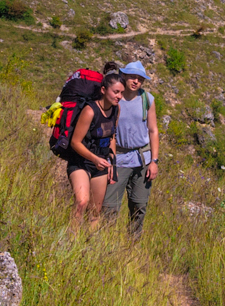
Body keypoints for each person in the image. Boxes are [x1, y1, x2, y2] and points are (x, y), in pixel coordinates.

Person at [105, 61, 159, 238]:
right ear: (124, 76)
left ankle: (132, 243)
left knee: (139, 205)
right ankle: (105, 243)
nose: (136, 81)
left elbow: (153, 130)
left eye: (140, 79)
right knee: (109, 206)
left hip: (142, 159)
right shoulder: (115, 98)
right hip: (118, 157)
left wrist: (154, 161)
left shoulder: (147, 99)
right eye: (132, 77)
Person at [66, 73, 123, 223]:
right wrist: (94, 158)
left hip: (102, 162)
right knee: (81, 202)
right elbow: (75, 142)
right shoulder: (90, 111)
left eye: (121, 93)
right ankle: (72, 241)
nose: (119, 96)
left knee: (95, 212)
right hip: (81, 161)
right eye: (116, 92)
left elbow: (112, 137)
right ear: (103, 90)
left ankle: (90, 244)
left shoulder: (116, 110)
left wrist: (112, 164)